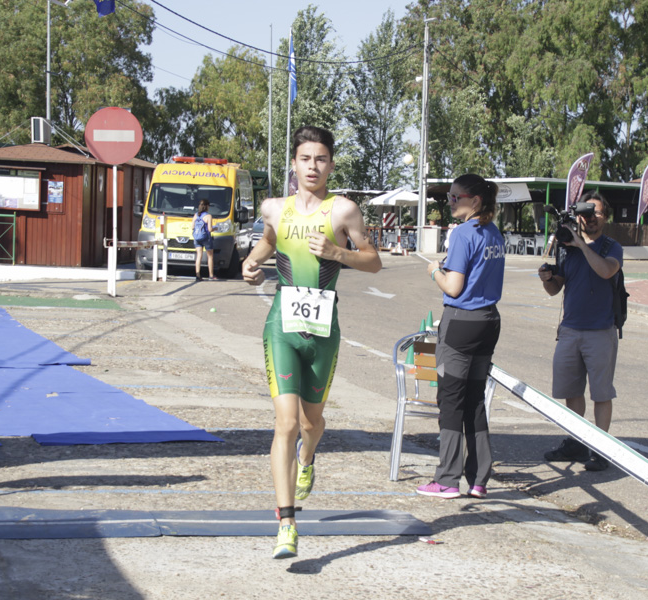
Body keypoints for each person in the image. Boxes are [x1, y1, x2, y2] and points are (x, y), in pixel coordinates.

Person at [242, 126, 382, 559]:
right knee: (284, 423)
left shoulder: (343, 212)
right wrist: (251, 262)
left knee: (310, 423)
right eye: (305, 159)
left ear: (331, 165)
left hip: (323, 331)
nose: (313, 167)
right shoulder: (274, 209)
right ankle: (286, 523)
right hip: (282, 325)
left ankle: (308, 459)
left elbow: (374, 261)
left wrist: (338, 254)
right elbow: (269, 241)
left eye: (321, 159)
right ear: (294, 164)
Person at [416, 174, 504, 500]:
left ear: (475, 201)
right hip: (488, 321)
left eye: (456, 197)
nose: (450, 203)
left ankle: (447, 479)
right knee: (475, 399)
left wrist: (434, 271)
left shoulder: (464, 234)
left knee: (450, 400)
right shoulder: (494, 233)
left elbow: (453, 286)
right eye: (449, 197)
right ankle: (479, 478)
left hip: (461, 321)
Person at [538, 191, 622, 472]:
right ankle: (577, 441)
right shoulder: (567, 248)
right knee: (571, 391)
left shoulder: (611, 247)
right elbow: (555, 290)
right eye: (585, 214)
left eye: (595, 213)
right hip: (571, 330)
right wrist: (547, 279)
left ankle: (602, 449)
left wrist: (582, 244)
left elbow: (606, 271)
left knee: (601, 393)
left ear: (605, 217)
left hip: (600, 330)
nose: (589, 218)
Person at [191, 197, 217, 281]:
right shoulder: (208, 216)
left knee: (199, 256)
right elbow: (209, 229)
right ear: (207, 206)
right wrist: (215, 228)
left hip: (197, 237)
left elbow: (192, 227)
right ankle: (211, 275)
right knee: (210, 256)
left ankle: (198, 275)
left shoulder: (196, 215)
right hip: (206, 238)